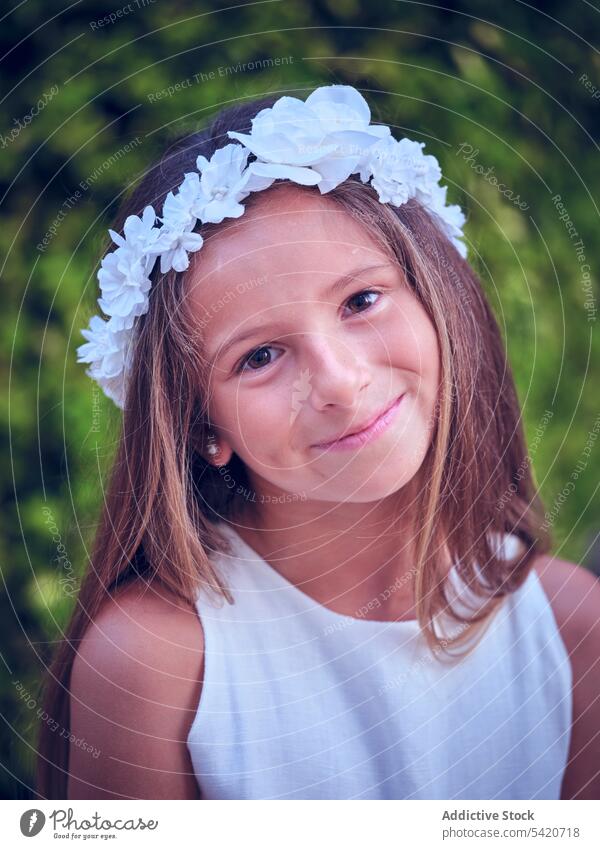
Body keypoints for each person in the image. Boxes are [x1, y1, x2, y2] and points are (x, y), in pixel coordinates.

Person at [36, 86, 599, 800]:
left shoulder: (574, 627)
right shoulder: (155, 663)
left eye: (361, 301)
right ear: (203, 426)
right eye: (260, 356)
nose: (337, 381)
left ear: (440, 302)